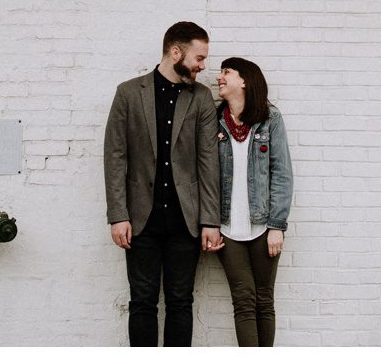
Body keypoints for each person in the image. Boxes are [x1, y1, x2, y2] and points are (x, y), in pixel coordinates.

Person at [104, 21, 224, 346]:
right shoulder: (128, 93)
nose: (202, 66)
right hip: (141, 221)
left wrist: (210, 221)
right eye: (199, 58)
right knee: (142, 302)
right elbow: (115, 157)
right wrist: (118, 215)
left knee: (181, 303)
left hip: (185, 221)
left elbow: (207, 161)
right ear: (175, 52)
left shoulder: (201, 98)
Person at [212, 57, 292, 347]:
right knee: (243, 300)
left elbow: (282, 173)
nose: (219, 77)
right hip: (227, 228)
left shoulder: (270, 119)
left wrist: (277, 226)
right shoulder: (213, 120)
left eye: (226, 72)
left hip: (263, 226)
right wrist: (208, 224)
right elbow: (204, 176)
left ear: (244, 81)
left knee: (264, 300)